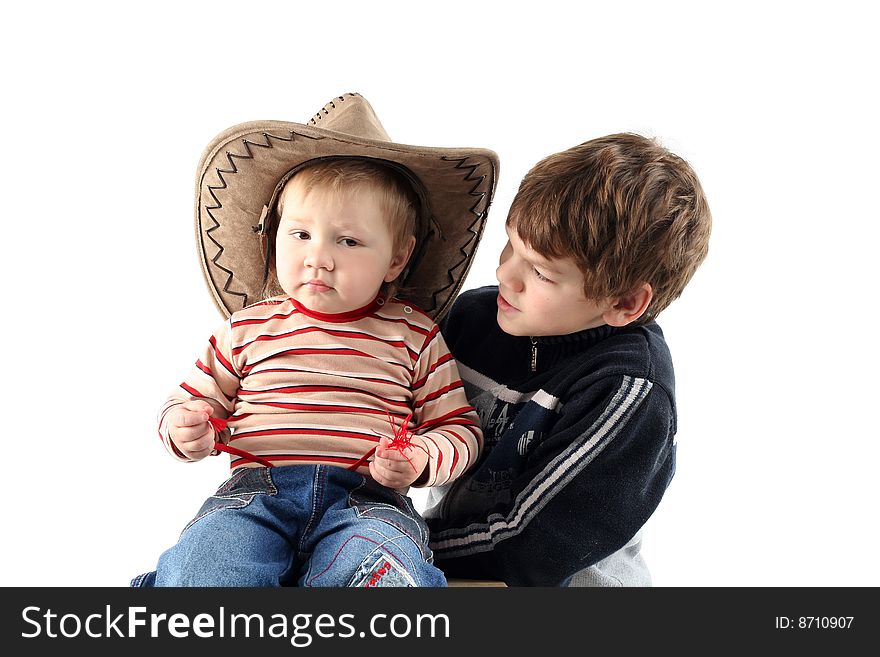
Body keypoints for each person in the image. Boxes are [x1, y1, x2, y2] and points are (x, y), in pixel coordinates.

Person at [132, 93, 498, 587]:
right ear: (273, 235)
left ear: (397, 258)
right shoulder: (246, 329)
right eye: (300, 234)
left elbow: (460, 429)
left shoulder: (414, 336)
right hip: (254, 495)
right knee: (206, 567)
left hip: (367, 503)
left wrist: (421, 458)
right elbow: (190, 401)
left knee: (377, 573)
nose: (318, 258)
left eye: (347, 241)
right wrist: (184, 428)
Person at [423, 133, 711, 586]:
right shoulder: (471, 318)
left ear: (624, 302)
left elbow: (527, 543)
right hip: (453, 570)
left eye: (540, 272)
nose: (505, 274)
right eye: (510, 246)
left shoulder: (628, 388)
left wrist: (392, 544)